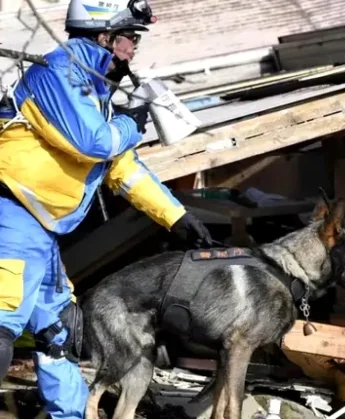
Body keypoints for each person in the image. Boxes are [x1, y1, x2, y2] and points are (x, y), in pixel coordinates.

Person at [0, 0, 212, 417]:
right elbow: (94, 142)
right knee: (2, 323)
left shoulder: (94, 94)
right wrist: (132, 124)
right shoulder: (57, 72)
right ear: (104, 36)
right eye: (130, 39)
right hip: (11, 214)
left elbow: (123, 169)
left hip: (42, 231)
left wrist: (177, 217)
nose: (134, 50)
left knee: (59, 331)